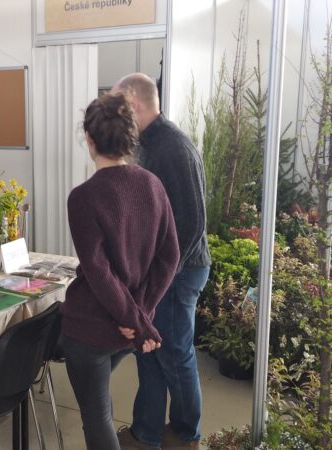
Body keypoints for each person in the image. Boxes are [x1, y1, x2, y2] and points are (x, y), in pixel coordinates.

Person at [61, 92, 179, 450]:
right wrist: (139, 316)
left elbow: (98, 272)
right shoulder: (153, 185)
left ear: (89, 139)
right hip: (126, 332)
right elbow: (169, 257)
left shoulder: (83, 197)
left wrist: (135, 318)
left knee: (96, 418)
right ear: (132, 137)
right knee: (101, 408)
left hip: (92, 329)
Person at [112, 73, 212, 450]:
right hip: (162, 272)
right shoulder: (149, 143)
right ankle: (146, 433)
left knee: (173, 356)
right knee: (149, 353)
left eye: (120, 107)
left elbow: (191, 222)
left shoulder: (171, 147)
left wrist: (162, 278)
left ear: (135, 105)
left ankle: (185, 436)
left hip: (179, 272)